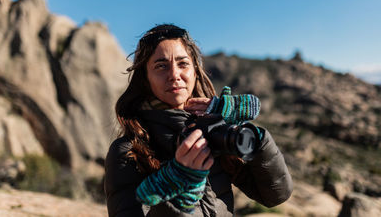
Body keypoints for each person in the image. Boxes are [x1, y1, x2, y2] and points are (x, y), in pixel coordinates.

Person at [104, 24, 293, 216]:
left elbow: (275, 195)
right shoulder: (130, 151)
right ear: (146, 78)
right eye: (161, 66)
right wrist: (178, 182)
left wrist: (255, 139)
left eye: (183, 63)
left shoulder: (212, 131)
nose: (174, 75)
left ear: (195, 70)